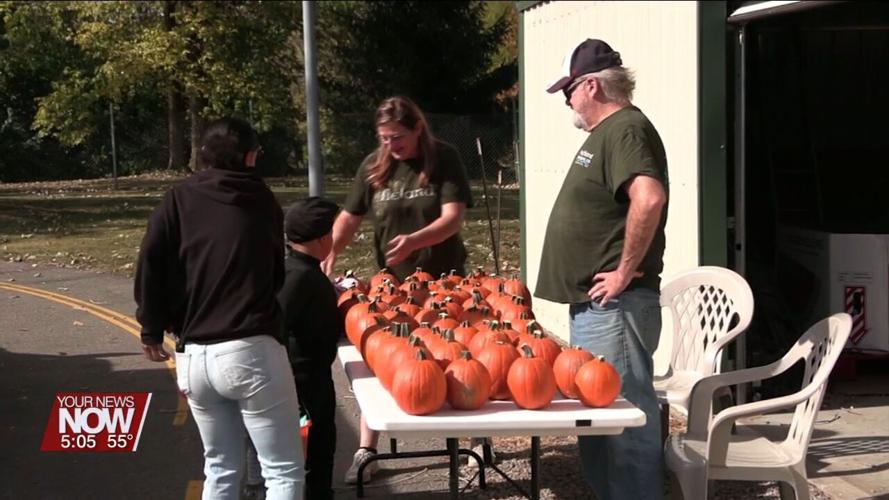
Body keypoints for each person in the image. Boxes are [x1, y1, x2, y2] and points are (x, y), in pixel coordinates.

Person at [135, 117, 304, 500]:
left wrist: (151, 326)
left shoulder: (177, 198)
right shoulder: (260, 198)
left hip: (194, 356)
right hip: (251, 351)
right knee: (282, 471)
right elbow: (276, 273)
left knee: (220, 469)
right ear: (248, 157)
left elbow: (151, 260)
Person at [535, 39, 669, 500]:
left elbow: (648, 197)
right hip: (597, 309)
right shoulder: (608, 134)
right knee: (600, 420)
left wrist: (624, 271)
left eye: (568, 90)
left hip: (615, 306)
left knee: (626, 419)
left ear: (591, 85)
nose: (567, 101)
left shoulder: (626, 129)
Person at [321, 96, 474, 484]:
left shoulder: (444, 158)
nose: (392, 145)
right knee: (381, 360)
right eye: (385, 138)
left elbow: (452, 218)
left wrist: (416, 240)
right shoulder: (374, 166)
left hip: (445, 283)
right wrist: (329, 253)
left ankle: (475, 439)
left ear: (417, 128)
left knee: (459, 357)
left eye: (398, 137)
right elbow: (349, 217)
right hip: (392, 287)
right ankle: (367, 449)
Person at [244, 197, 343, 500]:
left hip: (307, 375)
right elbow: (277, 323)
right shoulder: (299, 277)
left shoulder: (298, 269)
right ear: (323, 238)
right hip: (303, 380)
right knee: (314, 447)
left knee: (318, 445)